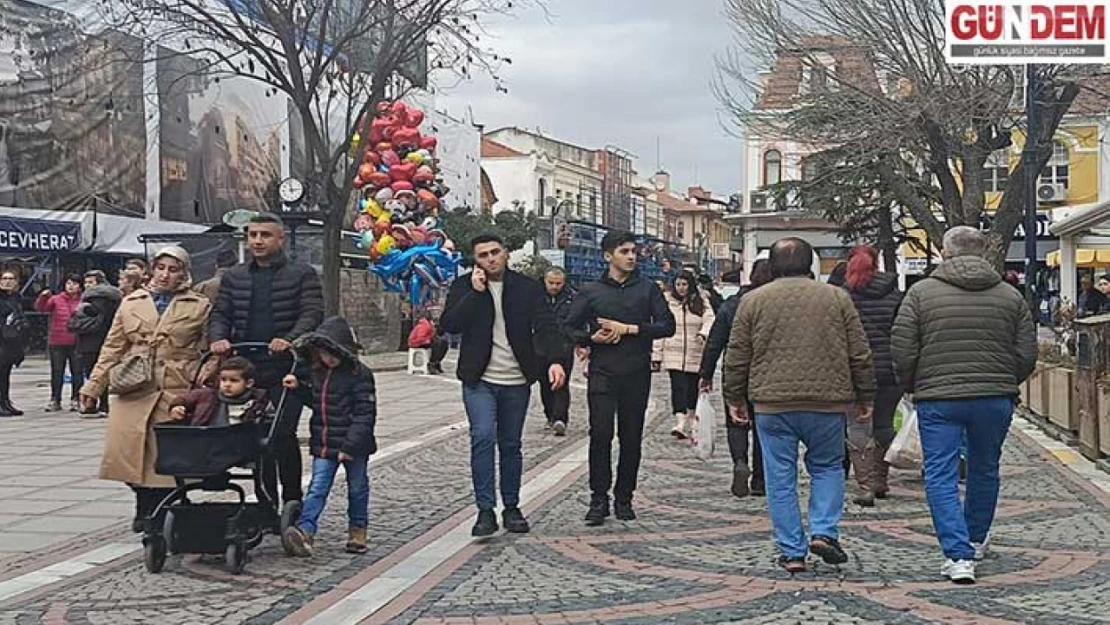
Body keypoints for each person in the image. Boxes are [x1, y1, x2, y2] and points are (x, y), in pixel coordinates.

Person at [891, 226, 1037, 585]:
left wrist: (911, 385)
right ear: (983, 251)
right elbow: (1026, 353)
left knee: (940, 473)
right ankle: (975, 537)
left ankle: (958, 555)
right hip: (994, 398)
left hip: (938, 398)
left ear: (946, 252)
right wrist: (1004, 381)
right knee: (985, 468)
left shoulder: (921, 293)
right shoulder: (1009, 295)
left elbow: (903, 347)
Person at [723, 237, 875, 573]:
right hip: (827, 402)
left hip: (772, 403)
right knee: (828, 467)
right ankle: (823, 531)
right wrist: (865, 396)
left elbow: (737, 355)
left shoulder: (753, 301)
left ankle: (792, 550)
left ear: (772, 266)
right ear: (810, 265)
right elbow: (859, 352)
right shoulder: (837, 298)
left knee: (779, 476)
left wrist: (735, 397)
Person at [440, 234, 567, 537]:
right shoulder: (464, 287)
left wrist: (555, 360)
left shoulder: (527, 288)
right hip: (479, 379)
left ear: (506, 254)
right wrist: (474, 292)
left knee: (510, 444)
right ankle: (485, 510)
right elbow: (449, 325)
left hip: (516, 379)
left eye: (495, 252)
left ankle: (511, 506)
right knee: (482, 437)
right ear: (476, 260)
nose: (490, 259)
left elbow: (547, 325)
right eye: (483, 255)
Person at [79, 246, 211, 533]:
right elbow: (113, 347)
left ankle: (161, 512)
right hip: (134, 386)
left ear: (184, 273)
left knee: (164, 458)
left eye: (173, 269)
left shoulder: (198, 305)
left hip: (174, 388)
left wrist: (206, 373)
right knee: (125, 453)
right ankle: (144, 502)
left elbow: (209, 349)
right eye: (161, 268)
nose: (165, 274)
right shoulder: (130, 303)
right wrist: (93, 385)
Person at [209, 212, 324, 510]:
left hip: (286, 370)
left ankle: (291, 499)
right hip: (246, 368)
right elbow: (221, 313)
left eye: (265, 235)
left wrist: (291, 339)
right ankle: (265, 500)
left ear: (280, 238)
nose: (258, 241)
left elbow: (311, 314)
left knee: (281, 434)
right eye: (253, 235)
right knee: (253, 435)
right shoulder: (235, 276)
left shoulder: (302, 274)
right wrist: (219, 337)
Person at [564, 230, 676, 526]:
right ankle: (598, 497)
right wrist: (591, 338)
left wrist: (630, 329)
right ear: (608, 256)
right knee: (600, 434)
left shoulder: (648, 289)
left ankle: (624, 496)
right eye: (624, 251)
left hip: (636, 372)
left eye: (633, 251)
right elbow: (567, 326)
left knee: (631, 438)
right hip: (602, 372)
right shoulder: (590, 292)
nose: (630, 256)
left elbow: (667, 326)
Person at [280, 317, 378, 557]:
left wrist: (350, 445)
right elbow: (317, 403)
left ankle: (358, 530)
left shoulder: (359, 374)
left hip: (353, 444)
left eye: (331, 354)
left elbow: (365, 414)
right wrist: (299, 389)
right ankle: (305, 531)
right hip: (324, 441)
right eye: (323, 354)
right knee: (317, 487)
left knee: (357, 488)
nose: (327, 359)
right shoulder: (318, 373)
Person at [699, 261, 772, 498]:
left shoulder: (732, 304)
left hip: (735, 370)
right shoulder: (773, 303)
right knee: (764, 426)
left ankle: (739, 462)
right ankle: (760, 480)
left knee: (736, 421)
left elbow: (714, 341)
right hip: (766, 373)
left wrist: (706, 374)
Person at [840, 246, 903, 507]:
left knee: (857, 427)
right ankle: (880, 478)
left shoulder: (843, 297)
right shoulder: (896, 296)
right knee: (884, 424)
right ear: (876, 265)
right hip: (889, 370)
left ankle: (864, 484)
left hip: (854, 371)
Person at [660, 270, 715, 439]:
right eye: (678, 284)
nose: (681, 288)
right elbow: (660, 327)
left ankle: (691, 418)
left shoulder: (701, 301)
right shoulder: (667, 303)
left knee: (692, 387)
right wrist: (656, 355)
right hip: (673, 351)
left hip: (695, 351)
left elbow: (710, 319)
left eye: (684, 284)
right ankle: (680, 421)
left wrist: (703, 333)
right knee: (677, 387)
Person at [69, 271, 121, 419]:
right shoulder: (114, 297)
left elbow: (90, 317)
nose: (87, 286)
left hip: (91, 340)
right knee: (102, 372)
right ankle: (103, 404)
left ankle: (95, 403)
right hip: (105, 339)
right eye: (86, 283)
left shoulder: (94, 299)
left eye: (90, 282)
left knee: (93, 373)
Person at [169, 356, 269, 426]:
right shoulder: (207, 395)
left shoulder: (259, 401)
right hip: (207, 440)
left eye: (234, 381)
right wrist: (177, 407)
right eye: (223, 380)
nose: (227, 384)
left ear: (249, 383)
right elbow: (183, 399)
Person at [36, 274, 83, 412]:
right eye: (68, 283)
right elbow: (41, 308)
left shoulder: (83, 301)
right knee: (57, 371)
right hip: (57, 341)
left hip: (77, 341)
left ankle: (76, 398)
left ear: (80, 286)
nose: (71, 286)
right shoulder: (56, 299)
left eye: (74, 283)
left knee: (77, 371)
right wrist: (43, 297)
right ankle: (55, 399)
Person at [541, 267, 576, 436]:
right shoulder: (536, 296)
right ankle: (549, 414)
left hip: (564, 345)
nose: (555, 286)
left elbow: (577, 321)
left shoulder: (571, 297)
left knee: (561, 383)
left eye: (558, 283)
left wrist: (580, 343)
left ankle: (560, 418)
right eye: (551, 283)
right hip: (540, 346)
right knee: (545, 383)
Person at [0, 269, 29, 417]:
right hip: (2, 340)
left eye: (11, 279)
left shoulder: (17, 298)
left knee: (5, 374)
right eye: (4, 278)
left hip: (12, 341)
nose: (7, 281)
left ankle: (5, 402)